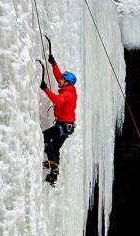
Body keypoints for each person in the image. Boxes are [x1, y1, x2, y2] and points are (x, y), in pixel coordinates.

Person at [39, 45, 78, 186]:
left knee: (45, 137)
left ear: (67, 82)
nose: (59, 80)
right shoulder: (68, 88)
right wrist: (53, 63)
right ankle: (53, 171)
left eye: (62, 79)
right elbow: (58, 76)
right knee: (54, 147)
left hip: (63, 126)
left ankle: (53, 168)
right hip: (66, 126)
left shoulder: (67, 94)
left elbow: (57, 100)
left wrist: (45, 89)